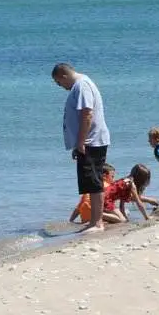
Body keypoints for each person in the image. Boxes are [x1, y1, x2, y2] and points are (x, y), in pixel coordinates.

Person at [52, 63, 111, 234]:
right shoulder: (81, 85)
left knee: (94, 182)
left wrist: (81, 142)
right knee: (91, 182)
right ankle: (94, 221)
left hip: (92, 141)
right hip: (88, 141)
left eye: (58, 82)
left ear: (64, 76)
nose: (60, 87)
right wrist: (77, 143)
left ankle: (97, 223)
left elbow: (87, 114)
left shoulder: (82, 85)